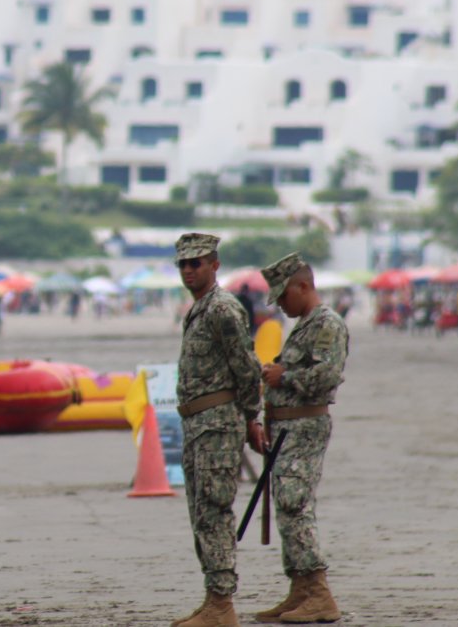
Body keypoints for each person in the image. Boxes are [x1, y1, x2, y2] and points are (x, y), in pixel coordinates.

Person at [171, 233, 263, 627]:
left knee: (214, 510)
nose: (189, 270)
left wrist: (250, 419)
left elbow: (246, 366)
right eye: (184, 265)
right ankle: (214, 599)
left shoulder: (222, 308)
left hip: (217, 424)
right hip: (198, 423)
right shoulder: (200, 308)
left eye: (197, 263)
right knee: (201, 513)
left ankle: (222, 605)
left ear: (215, 264)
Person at [251, 253, 346, 624]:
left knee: (295, 505)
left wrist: (283, 377)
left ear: (302, 286)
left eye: (283, 297)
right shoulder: (307, 324)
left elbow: (327, 375)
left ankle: (319, 592)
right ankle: (301, 590)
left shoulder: (326, 324)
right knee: (288, 508)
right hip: (289, 427)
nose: (281, 305)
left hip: (305, 427)